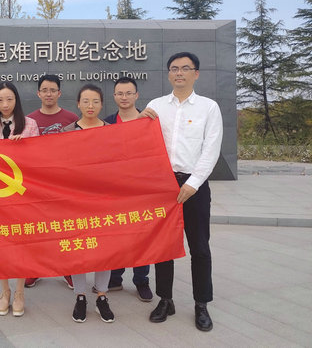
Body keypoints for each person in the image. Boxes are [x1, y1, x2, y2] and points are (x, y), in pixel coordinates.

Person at [140, 52, 222, 332]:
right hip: (162, 186)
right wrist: (139, 120)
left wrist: (193, 182)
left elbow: (211, 149)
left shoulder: (208, 107)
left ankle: (201, 304)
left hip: (193, 186)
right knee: (163, 246)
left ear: (195, 74)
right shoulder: (156, 106)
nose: (179, 73)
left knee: (199, 247)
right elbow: (141, 141)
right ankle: (166, 300)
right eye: (174, 68)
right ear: (168, 73)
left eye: (185, 68)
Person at [62, 84, 115, 324]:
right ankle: (80, 295)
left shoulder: (111, 131)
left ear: (102, 104)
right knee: (79, 247)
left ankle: (102, 295)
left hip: (104, 199)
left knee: (104, 248)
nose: (90, 106)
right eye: (85, 101)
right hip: (76, 200)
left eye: (95, 101)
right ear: (78, 104)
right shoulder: (67, 131)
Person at [96, 77, 153, 302]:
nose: (124, 97)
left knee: (141, 236)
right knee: (116, 233)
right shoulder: (107, 123)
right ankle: (115, 277)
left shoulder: (148, 120)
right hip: (115, 190)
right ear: (114, 97)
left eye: (129, 93)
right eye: (120, 93)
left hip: (141, 188)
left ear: (136, 95)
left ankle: (141, 280)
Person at [0, 82, 40, 317]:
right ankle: (4, 291)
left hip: (22, 194)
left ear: (16, 100)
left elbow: (39, 158)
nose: (5, 104)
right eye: (0, 100)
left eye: (9, 99)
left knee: (21, 242)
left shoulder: (30, 124)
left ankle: (19, 292)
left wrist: (25, 147)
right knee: (0, 243)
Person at [26, 74, 78, 289]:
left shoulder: (72, 118)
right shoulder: (28, 120)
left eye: (53, 90)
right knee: (38, 228)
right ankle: (35, 269)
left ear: (59, 93)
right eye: (45, 90)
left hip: (63, 183)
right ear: (38, 93)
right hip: (36, 183)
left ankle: (67, 269)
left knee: (65, 228)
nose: (49, 94)